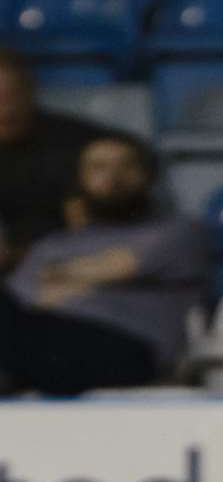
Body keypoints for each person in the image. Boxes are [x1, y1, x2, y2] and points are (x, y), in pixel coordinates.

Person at [2, 135, 205, 396]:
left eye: (127, 166)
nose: (114, 177)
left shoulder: (178, 232)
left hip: (131, 348)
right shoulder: (53, 245)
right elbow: (21, 303)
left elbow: (121, 265)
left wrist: (57, 277)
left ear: (148, 177)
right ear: (79, 180)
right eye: (98, 168)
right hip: (46, 344)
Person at [0, 50, 126, 270]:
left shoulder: (75, 140)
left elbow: (134, 156)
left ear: (30, 92)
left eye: (13, 95)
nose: (6, 107)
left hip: (66, 267)